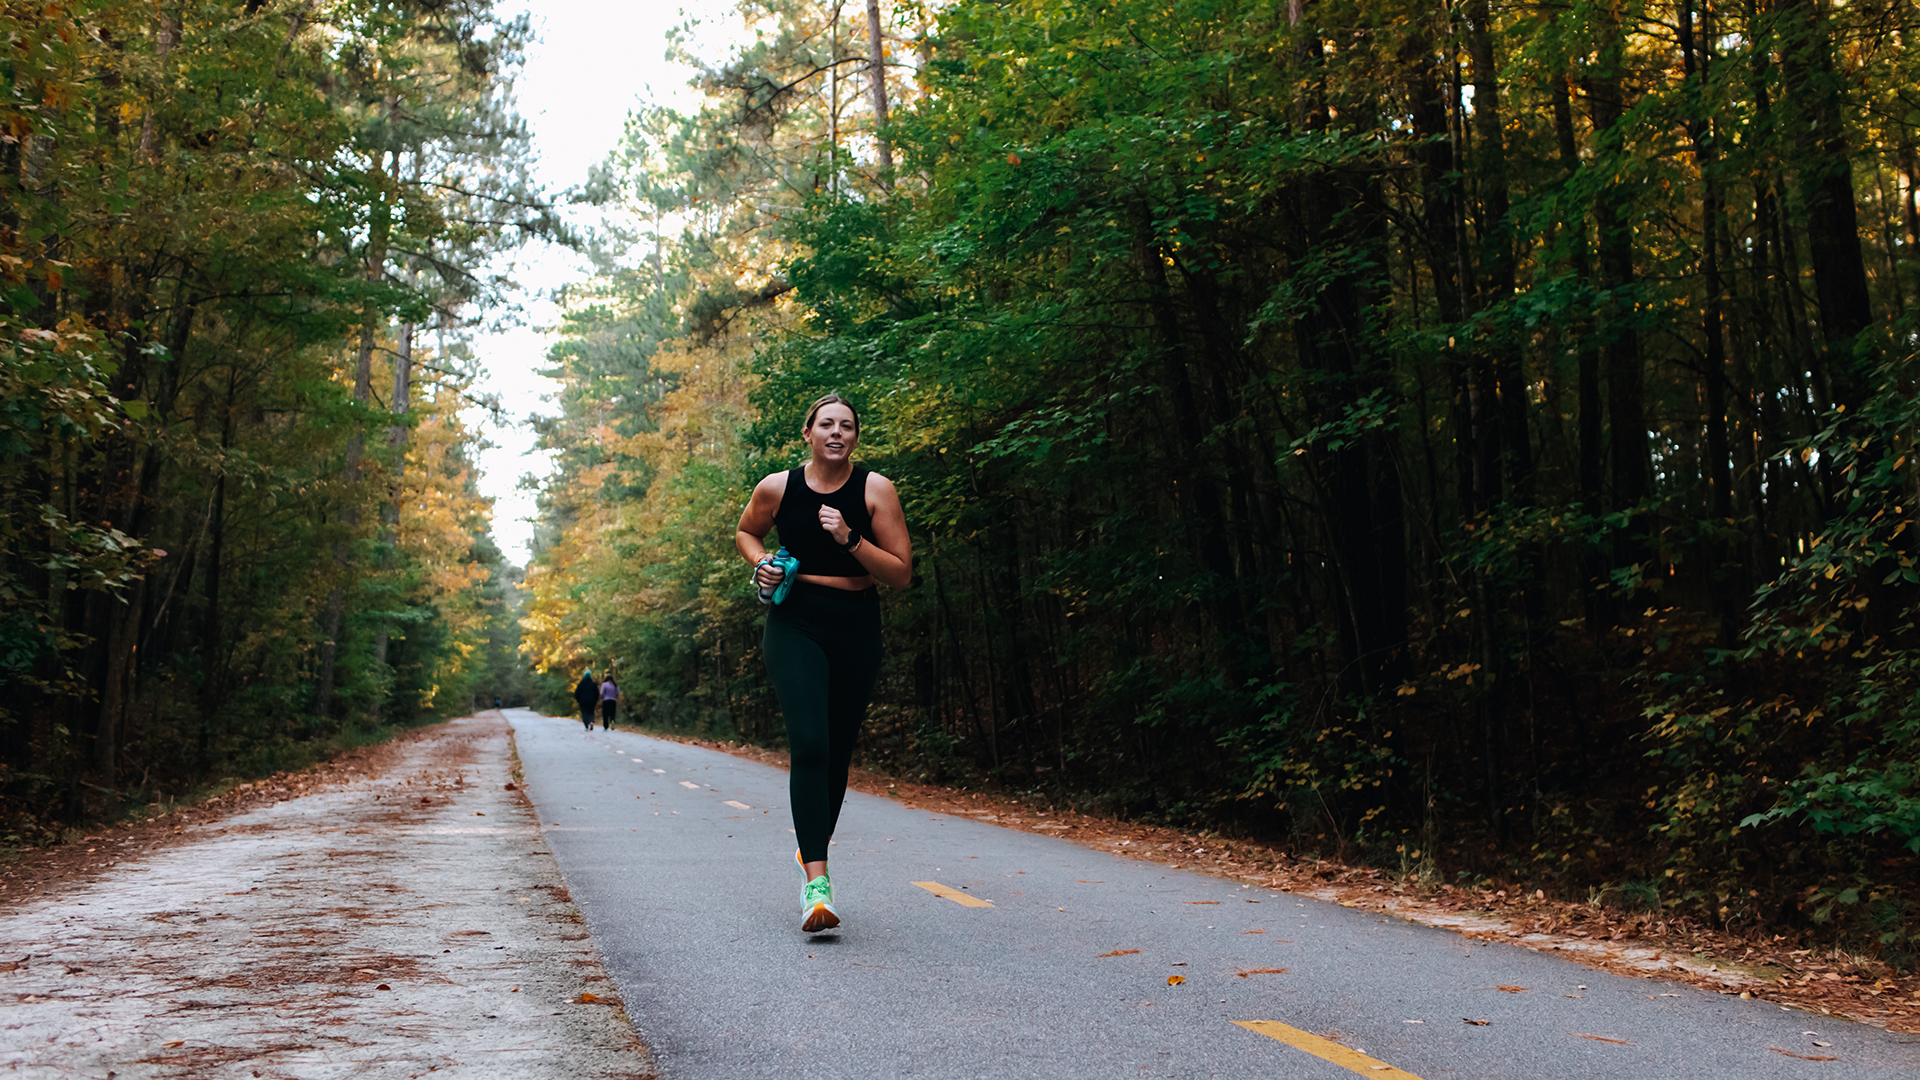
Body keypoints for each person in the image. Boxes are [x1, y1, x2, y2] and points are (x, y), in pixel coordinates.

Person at [736, 393, 912, 933]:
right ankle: (818, 882)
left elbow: (900, 573)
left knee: (837, 750)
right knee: (810, 743)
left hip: (857, 623)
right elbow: (747, 532)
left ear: (855, 437)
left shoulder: (875, 489)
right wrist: (763, 562)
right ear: (808, 433)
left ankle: (810, 844)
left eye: (848, 426)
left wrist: (850, 537)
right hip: (796, 623)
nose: (838, 433)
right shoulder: (777, 487)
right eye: (827, 425)